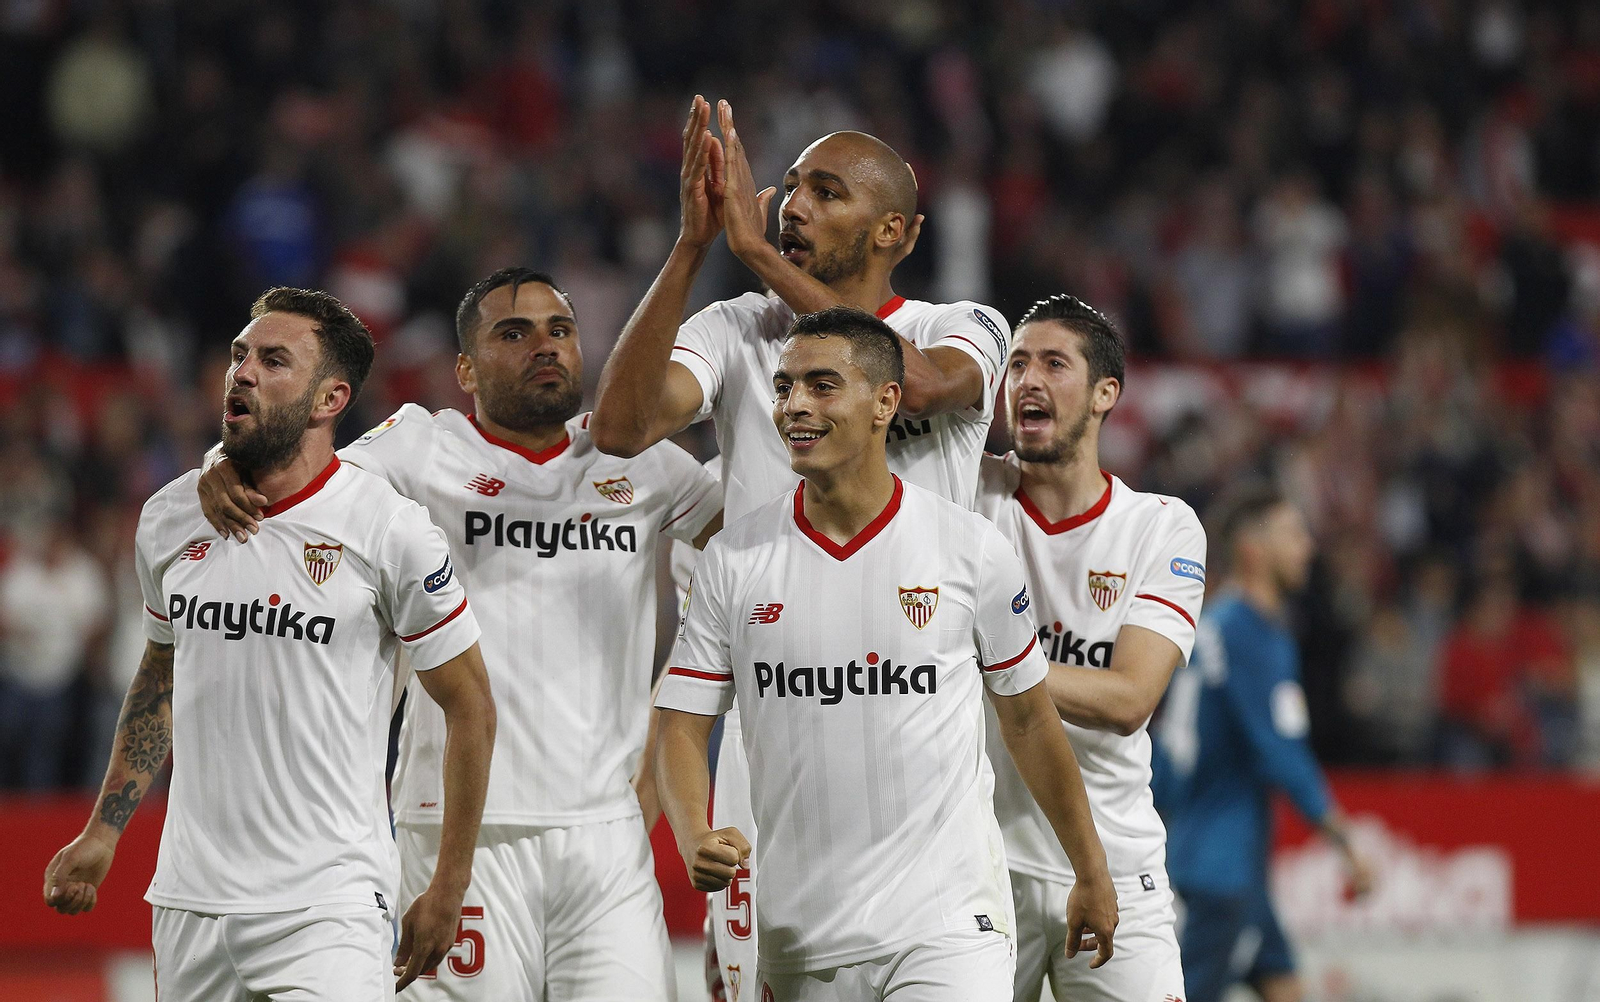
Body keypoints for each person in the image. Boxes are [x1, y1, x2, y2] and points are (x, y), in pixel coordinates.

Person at [195, 268, 721, 1000]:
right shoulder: (419, 447)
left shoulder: (643, 463)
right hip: (455, 831)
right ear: (466, 370)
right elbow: (300, 477)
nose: (546, 346)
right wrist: (220, 460)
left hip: (608, 835)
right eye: (515, 333)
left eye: (560, 330)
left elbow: (760, 544)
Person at [591, 95, 1014, 992]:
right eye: (788, 187)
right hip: (771, 732)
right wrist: (692, 248)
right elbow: (620, 429)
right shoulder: (735, 329)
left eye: (825, 191)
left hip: (919, 723)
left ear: (893, 229)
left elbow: (922, 383)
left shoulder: (962, 326)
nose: (793, 205)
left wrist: (754, 253)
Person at [42, 287, 497, 999]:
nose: (242, 372)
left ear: (330, 399)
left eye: (274, 360)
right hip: (190, 905)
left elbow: (471, 705)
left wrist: (450, 882)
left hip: (329, 907)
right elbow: (160, 676)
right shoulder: (169, 517)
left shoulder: (389, 529)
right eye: (239, 354)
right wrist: (104, 832)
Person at [655, 307, 1118, 1001]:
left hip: (948, 925)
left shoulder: (969, 550)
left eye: (822, 385)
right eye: (783, 388)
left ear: (885, 402)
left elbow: (1029, 720)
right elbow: (681, 725)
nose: (795, 405)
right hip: (801, 935)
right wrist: (694, 831)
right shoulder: (733, 558)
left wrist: (1091, 868)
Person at [976, 295, 1206, 1002]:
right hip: (980, 871)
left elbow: (1129, 700)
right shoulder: (966, 497)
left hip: (1117, 865)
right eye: (1017, 365)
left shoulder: (1160, 527)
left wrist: (987, 657)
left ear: (1106, 393)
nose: (1028, 380)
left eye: (1054, 364)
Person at [1152, 483, 1374, 1002]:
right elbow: (1281, 753)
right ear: (1253, 549)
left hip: (1209, 851)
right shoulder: (1250, 633)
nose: (1308, 547)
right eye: (1293, 534)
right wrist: (1345, 841)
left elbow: (1170, 747)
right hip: (1221, 863)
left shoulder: (1213, 625)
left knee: (1284, 986)